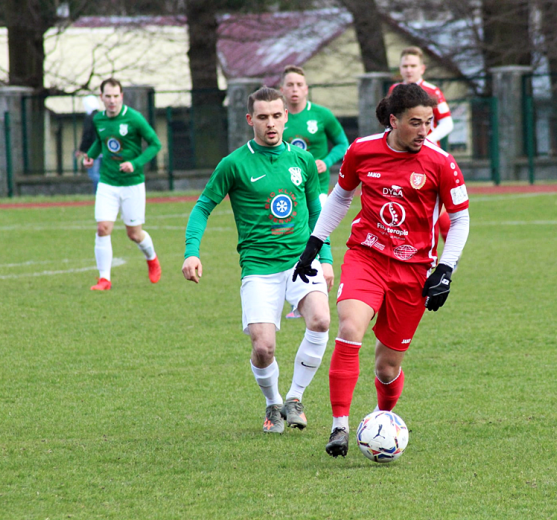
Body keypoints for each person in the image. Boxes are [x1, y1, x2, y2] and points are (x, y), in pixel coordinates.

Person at [292, 83, 470, 457]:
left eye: (429, 122)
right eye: (415, 123)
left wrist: (445, 270)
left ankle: (382, 420)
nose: (424, 131)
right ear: (393, 120)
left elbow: (460, 219)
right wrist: (315, 241)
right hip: (367, 257)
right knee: (350, 327)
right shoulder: (362, 150)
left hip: (413, 271)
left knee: (387, 368)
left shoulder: (440, 162)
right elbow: (341, 196)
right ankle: (339, 425)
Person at [182, 87, 333, 434]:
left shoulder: (302, 161)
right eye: (263, 117)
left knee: (322, 321)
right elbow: (203, 206)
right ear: (250, 120)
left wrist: (324, 257)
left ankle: (295, 398)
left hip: (301, 261)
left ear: (286, 117)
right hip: (259, 268)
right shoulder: (234, 164)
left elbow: (316, 212)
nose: (271, 124)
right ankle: (273, 404)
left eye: (277, 116)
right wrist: (192, 251)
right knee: (263, 347)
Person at [280, 64, 349, 319]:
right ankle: (300, 291)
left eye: (299, 85)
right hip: (288, 191)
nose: (295, 89)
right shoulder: (279, 117)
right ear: (282, 89)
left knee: (317, 233)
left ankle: (316, 286)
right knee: (293, 236)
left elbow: (343, 143)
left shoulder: (321, 115)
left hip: (317, 187)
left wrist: (327, 161)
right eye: (290, 85)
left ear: (307, 88)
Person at [82, 78, 162, 291]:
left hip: (132, 184)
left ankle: (152, 258)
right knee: (103, 228)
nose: (112, 100)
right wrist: (90, 156)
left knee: (134, 234)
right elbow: (102, 141)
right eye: (107, 96)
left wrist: (134, 163)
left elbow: (155, 144)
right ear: (101, 98)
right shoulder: (98, 119)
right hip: (107, 182)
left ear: (121, 97)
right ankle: (104, 279)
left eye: (116, 96)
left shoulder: (134, 118)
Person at [388, 46, 455, 245]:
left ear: (422, 68)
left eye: (413, 65)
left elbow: (448, 122)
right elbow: (389, 123)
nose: (409, 70)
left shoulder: (433, 91)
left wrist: (427, 140)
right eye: (405, 66)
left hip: (426, 159)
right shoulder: (394, 91)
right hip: (399, 157)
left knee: (431, 204)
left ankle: (447, 249)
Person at [76, 94, 101, 193]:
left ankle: (99, 193)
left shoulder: (89, 118)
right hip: (105, 149)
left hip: (93, 151)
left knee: (94, 174)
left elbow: (87, 135)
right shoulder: (102, 116)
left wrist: (81, 150)